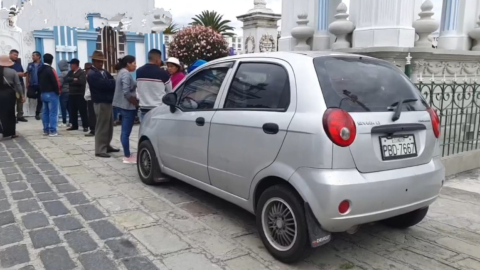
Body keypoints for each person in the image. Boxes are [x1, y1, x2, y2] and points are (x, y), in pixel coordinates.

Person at [87, 51, 119, 158]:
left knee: (109, 126)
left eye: (102, 61)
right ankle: (100, 149)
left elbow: (111, 82)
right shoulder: (92, 74)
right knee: (102, 126)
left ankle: (107, 145)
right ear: (94, 62)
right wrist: (112, 83)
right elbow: (104, 85)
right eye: (99, 61)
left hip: (108, 101)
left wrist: (111, 83)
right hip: (100, 102)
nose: (101, 63)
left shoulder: (104, 72)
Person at [112, 56, 138, 164]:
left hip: (122, 105)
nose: (135, 65)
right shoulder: (126, 74)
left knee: (124, 132)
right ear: (128, 63)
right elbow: (126, 92)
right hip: (127, 106)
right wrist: (135, 103)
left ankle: (127, 153)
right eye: (134, 63)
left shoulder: (122, 72)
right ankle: (127, 155)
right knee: (126, 132)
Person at [136, 49, 172, 121]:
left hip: (143, 108)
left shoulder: (139, 71)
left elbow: (137, 88)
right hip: (158, 109)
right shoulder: (163, 73)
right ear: (157, 59)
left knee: (144, 130)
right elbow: (170, 91)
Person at [0, 56, 25, 139]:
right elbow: (18, 84)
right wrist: (22, 95)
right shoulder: (12, 71)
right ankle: (11, 132)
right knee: (10, 113)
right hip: (9, 94)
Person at [38, 53, 61, 136]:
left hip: (43, 93)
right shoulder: (51, 70)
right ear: (51, 60)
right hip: (52, 93)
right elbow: (56, 81)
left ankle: (46, 129)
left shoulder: (40, 69)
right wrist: (58, 91)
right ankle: (53, 130)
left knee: (45, 112)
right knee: (53, 113)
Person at [64, 58, 89, 132]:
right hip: (72, 94)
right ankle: (74, 125)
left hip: (80, 94)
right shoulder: (70, 72)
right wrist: (74, 79)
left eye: (72, 64)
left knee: (82, 111)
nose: (70, 66)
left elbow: (81, 82)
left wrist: (73, 80)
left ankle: (85, 126)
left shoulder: (82, 72)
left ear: (76, 65)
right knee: (72, 111)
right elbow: (66, 79)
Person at [9, 50, 27, 123]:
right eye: (14, 55)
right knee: (12, 101)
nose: (16, 56)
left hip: (20, 83)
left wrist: (23, 74)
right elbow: (7, 73)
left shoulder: (18, 63)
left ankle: (20, 115)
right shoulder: (7, 63)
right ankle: (12, 116)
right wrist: (16, 74)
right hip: (12, 85)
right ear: (10, 54)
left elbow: (22, 72)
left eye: (17, 55)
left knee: (20, 100)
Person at [26, 51, 43, 120]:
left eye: (34, 56)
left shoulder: (42, 65)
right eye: (32, 56)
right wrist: (27, 83)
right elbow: (28, 74)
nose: (32, 57)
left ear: (38, 56)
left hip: (40, 84)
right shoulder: (30, 65)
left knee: (40, 100)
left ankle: (37, 113)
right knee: (29, 94)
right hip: (32, 84)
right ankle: (37, 96)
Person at [57, 60, 70, 127]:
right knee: (69, 107)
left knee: (63, 107)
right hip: (70, 92)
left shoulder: (62, 74)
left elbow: (59, 84)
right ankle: (71, 121)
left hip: (64, 92)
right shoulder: (70, 72)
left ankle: (64, 121)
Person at [83, 63, 95, 137]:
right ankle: (92, 128)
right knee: (90, 114)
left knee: (92, 114)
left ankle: (93, 129)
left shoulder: (91, 76)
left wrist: (87, 95)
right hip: (89, 97)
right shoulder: (87, 76)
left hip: (91, 97)